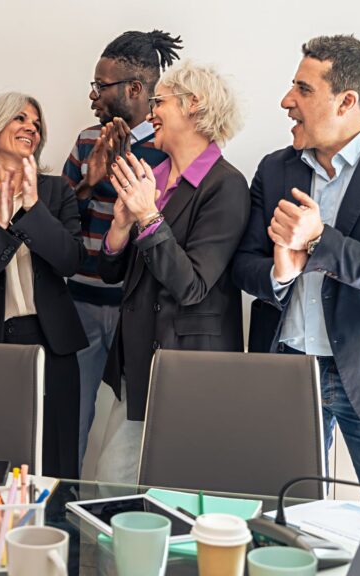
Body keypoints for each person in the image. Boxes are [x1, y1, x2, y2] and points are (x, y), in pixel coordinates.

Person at [232, 35, 360, 503]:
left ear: (347, 101)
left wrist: (320, 240)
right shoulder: (274, 169)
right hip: (285, 370)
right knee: (281, 519)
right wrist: (280, 274)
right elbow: (242, 266)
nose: (287, 102)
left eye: (303, 90)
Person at [95, 61, 248, 484]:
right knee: (111, 485)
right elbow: (112, 273)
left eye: (159, 102)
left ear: (193, 105)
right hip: (137, 364)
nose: (150, 113)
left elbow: (193, 285)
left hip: (188, 372)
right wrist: (122, 226)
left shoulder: (226, 185)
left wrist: (147, 215)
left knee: (175, 495)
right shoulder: (154, 176)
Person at [0, 92, 87, 479]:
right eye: (20, 119)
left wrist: (32, 210)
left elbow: (71, 261)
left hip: (53, 342)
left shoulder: (57, 192)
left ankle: (56, 534)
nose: (31, 128)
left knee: (56, 459)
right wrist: (2, 226)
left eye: (36, 124)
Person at [62, 30, 183, 467]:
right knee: (70, 416)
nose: (93, 95)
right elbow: (61, 224)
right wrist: (88, 181)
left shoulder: (172, 147)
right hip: (80, 303)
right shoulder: (85, 141)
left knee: (139, 424)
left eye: (102, 85)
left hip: (140, 309)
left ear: (134, 88)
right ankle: (57, 516)